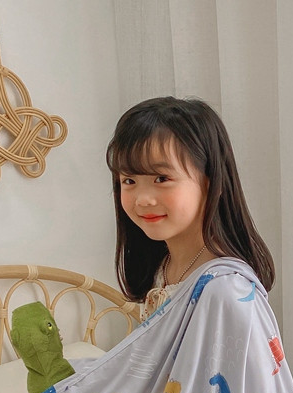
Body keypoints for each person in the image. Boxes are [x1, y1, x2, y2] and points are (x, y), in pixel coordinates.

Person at [105, 96, 274, 319]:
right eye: (129, 181)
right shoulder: (163, 268)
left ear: (211, 183)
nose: (143, 200)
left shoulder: (226, 289)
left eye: (162, 178)